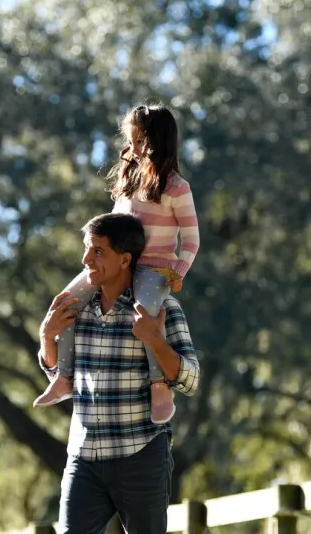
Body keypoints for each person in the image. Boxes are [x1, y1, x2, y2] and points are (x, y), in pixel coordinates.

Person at [7, 212, 200, 534]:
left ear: (125, 259)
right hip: (85, 457)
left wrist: (155, 340)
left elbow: (191, 378)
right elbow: (55, 370)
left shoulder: (160, 309)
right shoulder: (78, 306)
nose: (85, 259)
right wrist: (47, 339)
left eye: (97, 251)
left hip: (142, 453)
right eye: (87, 249)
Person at [33, 103, 200, 424]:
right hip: (119, 264)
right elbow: (113, 227)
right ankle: (63, 376)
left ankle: (159, 384)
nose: (133, 148)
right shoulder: (129, 183)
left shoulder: (177, 188)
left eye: (140, 141)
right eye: (132, 141)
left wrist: (179, 271)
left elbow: (191, 239)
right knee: (67, 301)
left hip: (154, 268)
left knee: (146, 309)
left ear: (157, 141)